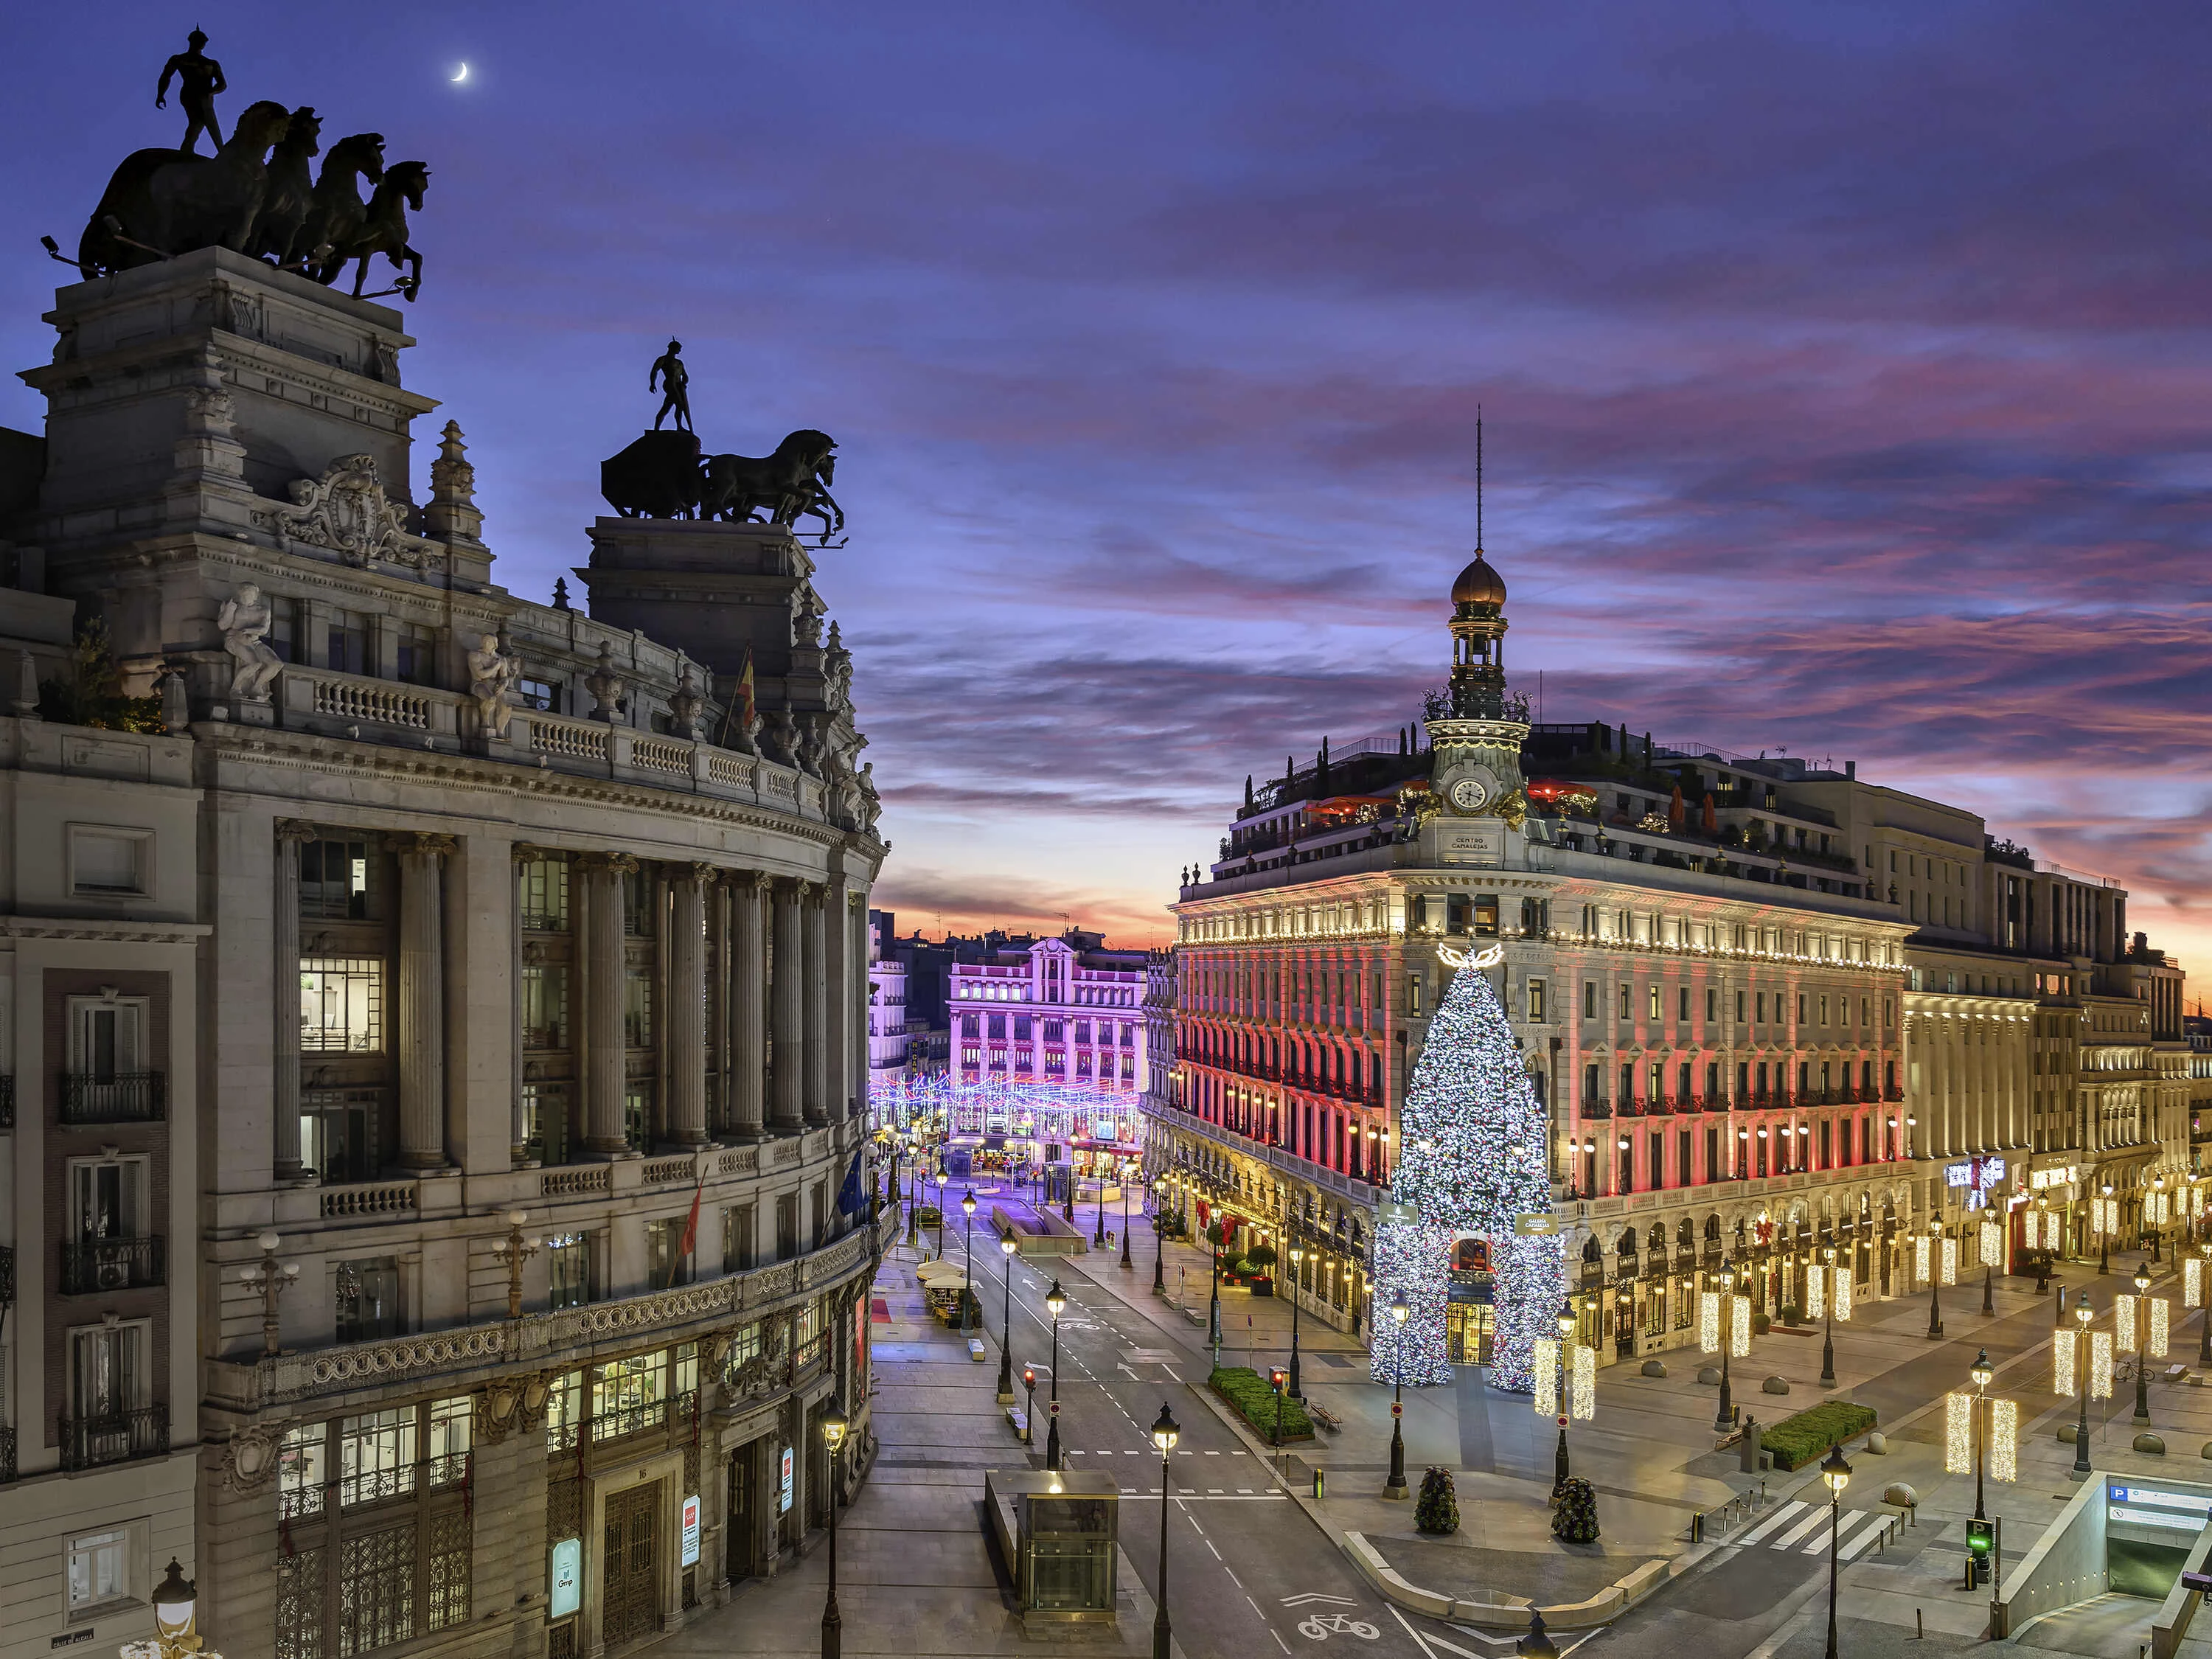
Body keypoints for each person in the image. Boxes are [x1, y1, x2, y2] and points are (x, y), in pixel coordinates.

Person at [156, 29, 228, 156]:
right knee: (198, 121)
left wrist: (211, 92)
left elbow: (222, 84)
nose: (201, 44)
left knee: (200, 123)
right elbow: (166, 76)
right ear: (191, 41)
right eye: (199, 41)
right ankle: (191, 150)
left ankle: (189, 148)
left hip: (206, 97)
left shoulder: (211, 63)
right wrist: (160, 95)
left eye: (203, 41)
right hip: (190, 95)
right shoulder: (179, 59)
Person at [649, 338, 692, 432]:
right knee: (680, 405)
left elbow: (685, 375)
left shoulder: (679, 362)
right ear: (672, 348)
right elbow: (654, 371)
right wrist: (652, 384)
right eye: (678, 348)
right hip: (670, 384)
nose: (680, 350)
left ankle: (657, 428)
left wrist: (684, 382)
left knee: (667, 407)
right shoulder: (663, 359)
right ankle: (679, 426)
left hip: (678, 386)